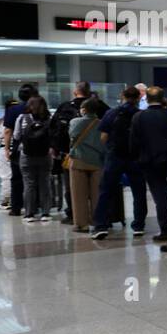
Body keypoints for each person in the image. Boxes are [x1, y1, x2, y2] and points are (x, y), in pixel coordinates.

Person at [91, 86, 149, 239]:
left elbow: (103, 137)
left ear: (122, 96)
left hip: (115, 156)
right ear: (138, 98)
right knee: (139, 192)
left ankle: (101, 225)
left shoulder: (111, 113)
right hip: (135, 158)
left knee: (105, 191)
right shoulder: (141, 115)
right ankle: (138, 226)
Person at [130, 87, 167, 239]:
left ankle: (165, 228)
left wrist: (136, 159)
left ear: (147, 98)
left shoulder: (139, 117)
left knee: (160, 197)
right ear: (163, 97)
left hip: (150, 163)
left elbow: (134, 142)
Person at [50, 81, 94, 221]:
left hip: (69, 154)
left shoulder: (64, 107)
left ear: (75, 92)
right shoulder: (98, 106)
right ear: (89, 92)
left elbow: (53, 129)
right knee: (95, 185)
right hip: (95, 155)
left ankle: (73, 213)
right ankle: (95, 214)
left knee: (71, 185)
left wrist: (55, 149)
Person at [67, 98, 105, 233]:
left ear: (83, 110)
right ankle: (98, 221)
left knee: (78, 194)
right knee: (97, 194)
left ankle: (81, 224)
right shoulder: (102, 123)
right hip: (97, 162)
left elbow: (71, 135)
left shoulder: (75, 122)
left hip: (79, 160)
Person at [14, 96, 53, 222]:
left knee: (29, 184)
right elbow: (53, 135)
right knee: (45, 183)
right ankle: (45, 213)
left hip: (26, 155)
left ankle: (29, 214)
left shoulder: (22, 118)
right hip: (45, 155)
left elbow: (16, 135)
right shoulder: (49, 119)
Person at [0, 85, 33, 216]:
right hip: (38, 149)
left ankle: (16, 207)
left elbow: (8, 131)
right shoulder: (39, 107)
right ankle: (36, 207)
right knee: (35, 179)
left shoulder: (13, 109)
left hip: (19, 149)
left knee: (17, 178)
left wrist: (7, 148)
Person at [0, 97, 14, 209]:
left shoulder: (1, 122)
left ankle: (6, 200)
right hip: (19, 149)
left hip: (4, 150)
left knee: (6, 176)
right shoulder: (22, 118)